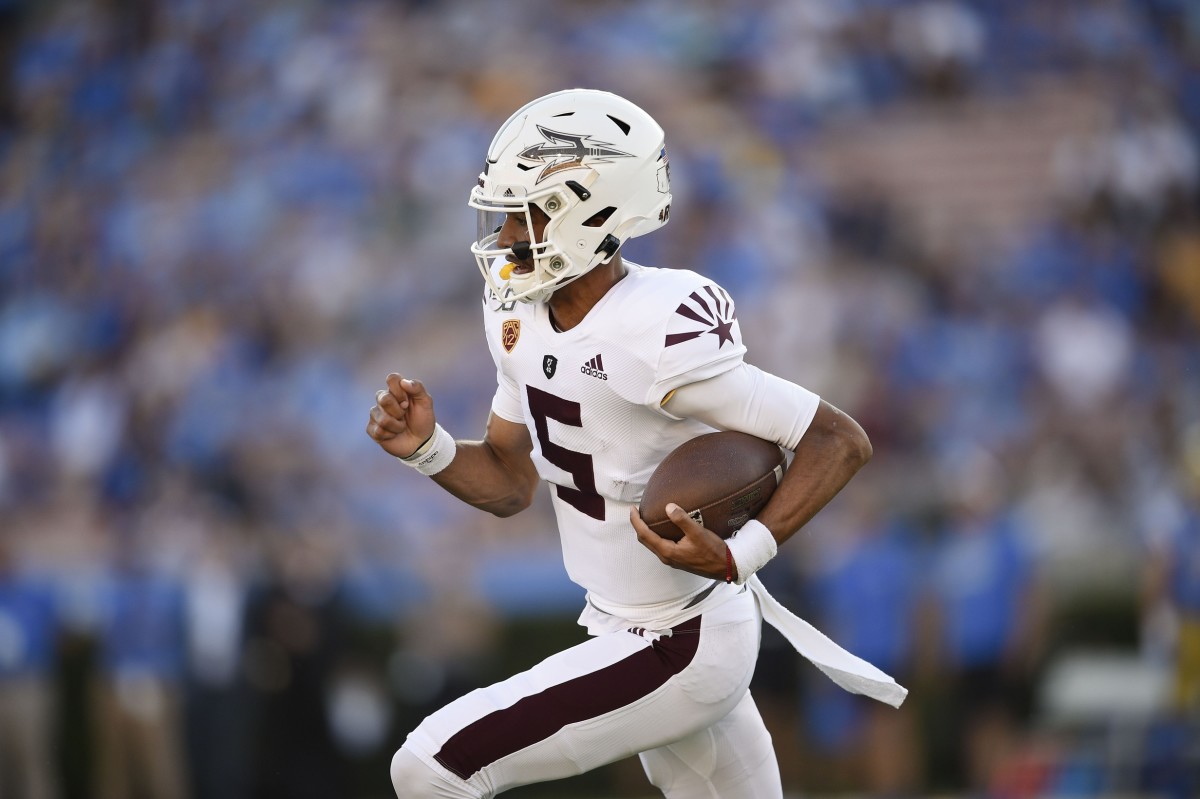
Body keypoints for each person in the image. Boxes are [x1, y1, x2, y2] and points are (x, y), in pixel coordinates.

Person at [367, 88, 906, 799]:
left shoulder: (652, 324)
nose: (502, 239)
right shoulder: (518, 318)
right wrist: (428, 446)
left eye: (524, 217)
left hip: (679, 638)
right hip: (629, 628)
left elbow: (836, 439)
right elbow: (509, 481)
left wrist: (744, 551)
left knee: (432, 763)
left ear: (590, 216)